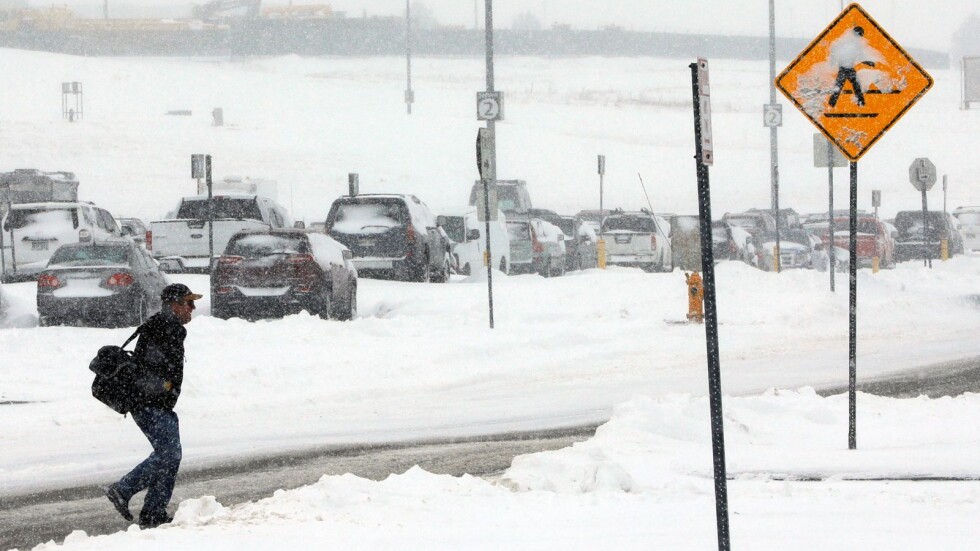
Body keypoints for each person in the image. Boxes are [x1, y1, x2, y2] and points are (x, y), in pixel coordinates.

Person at [104, 283, 202, 529]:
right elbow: (151, 370)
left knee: (170, 457)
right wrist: (165, 388)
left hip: (156, 404)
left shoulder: (165, 326)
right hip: (149, 404)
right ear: (174, 305)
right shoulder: (162, 328)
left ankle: (153, 512)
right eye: (188, 303)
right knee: (169, 454)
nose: (193, 307)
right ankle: (123, 489)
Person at [827, 26, 882, 108]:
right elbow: (835, 50)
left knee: (852, 86)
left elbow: (859, 56)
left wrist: (868, 62)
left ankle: (860, 103)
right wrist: (832, 61)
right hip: (843, 68)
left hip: (849, 68)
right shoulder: (846, 42)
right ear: (857, 34)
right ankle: (832, 104)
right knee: (844, 87)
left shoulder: (854, 43)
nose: (861, 37)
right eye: (860, 35)